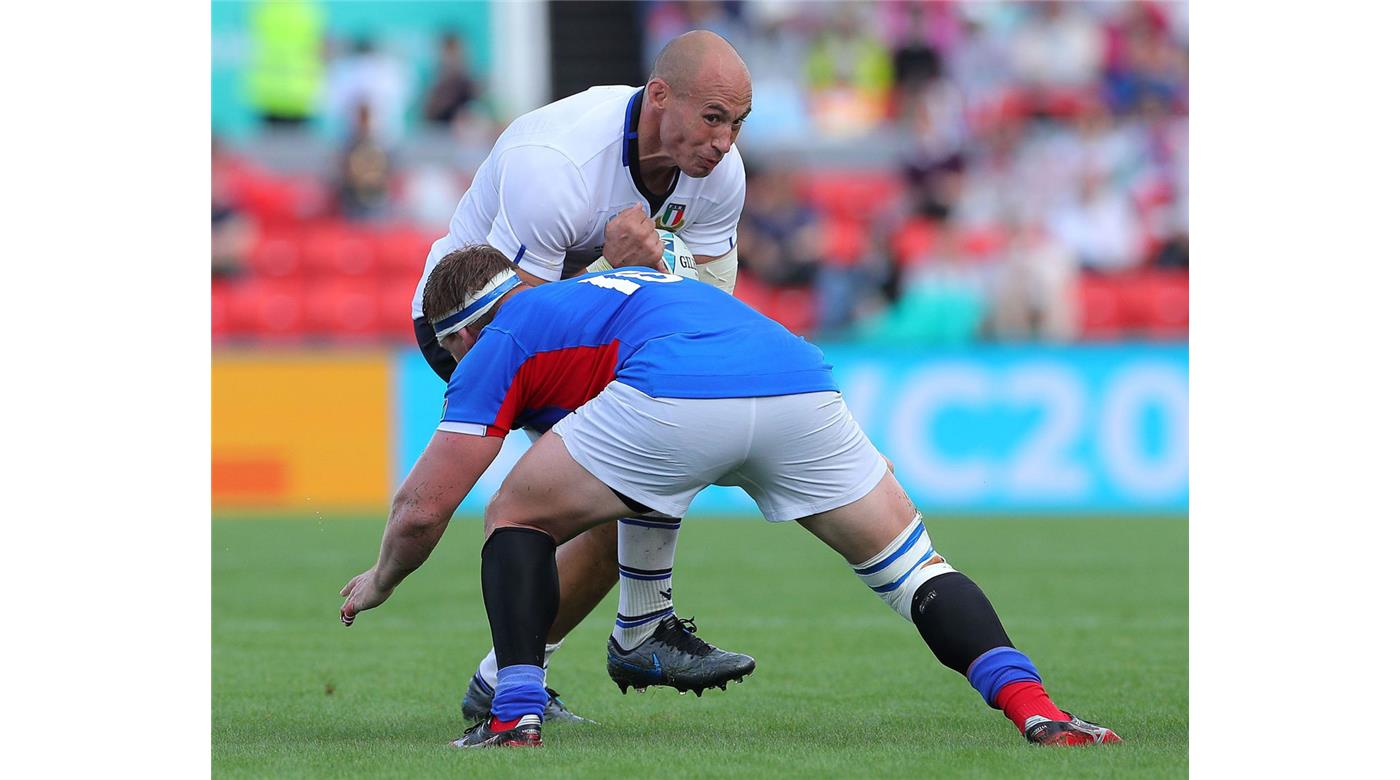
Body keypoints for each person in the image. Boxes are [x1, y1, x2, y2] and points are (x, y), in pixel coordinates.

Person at [340, 245, 1123, 750]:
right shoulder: (597, 297)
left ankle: (515, 713)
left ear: (463, 333)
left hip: (676, 393)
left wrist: (380, 579)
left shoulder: (503, 334)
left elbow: (423, 508)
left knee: (516, 512)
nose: (452, 368)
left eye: (448, 353)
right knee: (914, 568)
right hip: (796, 379)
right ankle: (1038, 708)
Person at [406, 30, 754, 723]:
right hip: (469, 326)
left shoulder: (720, 176)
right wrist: (616, 270)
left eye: (738, 124)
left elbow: (707, 309)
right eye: (713, 118)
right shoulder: (560, 163)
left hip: (577, 329)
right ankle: (638, 630)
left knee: (636, 475)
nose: (725, 142)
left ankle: (507, 679)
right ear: (659, 98)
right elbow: (518, 331)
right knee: (624, 465)